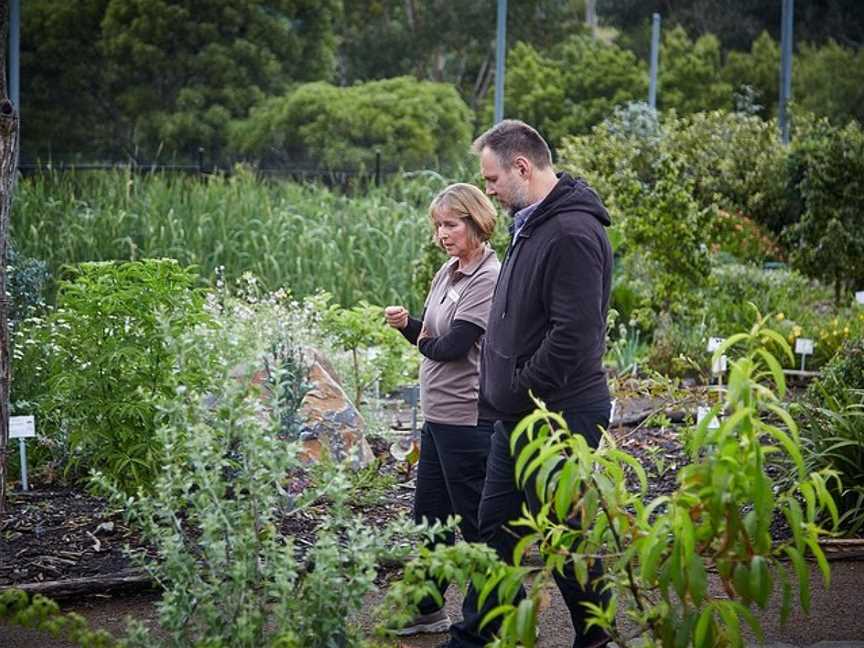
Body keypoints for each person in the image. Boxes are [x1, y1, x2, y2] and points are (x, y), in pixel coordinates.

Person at [447, 120, 614, 648]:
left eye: (493, 178)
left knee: (562, 531)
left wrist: (519, 387)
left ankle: (596, 635)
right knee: (495, 526)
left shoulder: (572, 233)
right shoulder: (534, 222)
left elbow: (575, 336)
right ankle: (477, 636)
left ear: (522, 167)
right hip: (519, 413)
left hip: (558, 411)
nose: (488, 190)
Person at [385, 183, 500, 636]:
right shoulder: (449, 271)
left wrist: (425, 339)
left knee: (475, 525)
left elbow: (452, 347)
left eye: (451, 224)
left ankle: (490, 616)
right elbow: (430, 338)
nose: (442, 234)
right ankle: (428, 608)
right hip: (437, 418)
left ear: (476, 222)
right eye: (438, 226)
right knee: (429, 519)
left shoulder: (489, 277)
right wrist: (407, 326)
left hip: (468, 419)